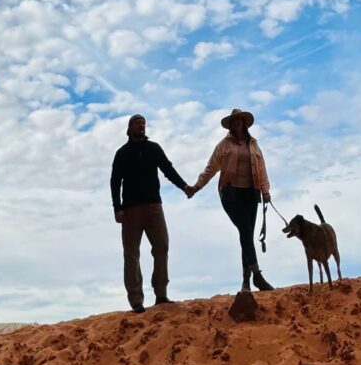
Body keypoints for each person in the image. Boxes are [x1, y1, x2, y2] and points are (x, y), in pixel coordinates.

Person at [110, 114, 191, 313]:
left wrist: (184, 187)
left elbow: (168, 169)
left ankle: (161, 293)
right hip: (130, 210)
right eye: (137, 123)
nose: (141, 126)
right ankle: (136, 299)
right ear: (129, 128)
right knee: (131, 253)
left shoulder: (153, 148)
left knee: (162, 246)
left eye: (144, 123)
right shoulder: (122, 153)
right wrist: (117, 207)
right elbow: (115, 181)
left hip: (154, 206)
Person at [189, 107, 274, 292]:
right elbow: (210, 168)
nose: (237, 123)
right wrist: (196, 187)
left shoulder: (254, 145)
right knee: (244, 229)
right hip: (230, 192)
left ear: (244, 123)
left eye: (239, 120)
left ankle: (246, 282)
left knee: (246, 235)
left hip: (251, 192)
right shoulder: (224, 145)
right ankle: (257, 276)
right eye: (234, 121)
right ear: (230, 125)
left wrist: (266, 191)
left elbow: (262, 169)